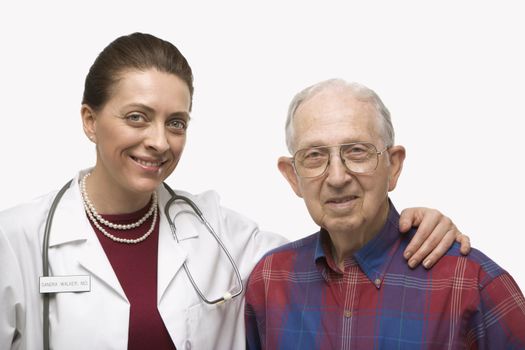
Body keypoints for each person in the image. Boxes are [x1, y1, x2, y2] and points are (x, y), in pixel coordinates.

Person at [0, 34, 469, 350]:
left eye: (176, 122)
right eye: (137, 117)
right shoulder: (19, 238)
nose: (159, 141)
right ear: (89, 120)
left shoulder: (218, 231)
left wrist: (410, 224)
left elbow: (335, 245)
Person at [245, 78, 525, 349]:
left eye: (357, 151)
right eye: (315, 156)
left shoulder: (471, 284)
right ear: (293, 176)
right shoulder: (270, 282)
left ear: (394, 166)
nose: (337, 177)